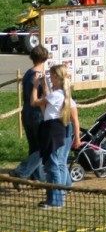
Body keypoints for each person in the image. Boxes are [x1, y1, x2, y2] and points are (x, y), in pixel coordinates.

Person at [32, 64, 80, 208]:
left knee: (53, 166)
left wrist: (35, 86)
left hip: (52, 131)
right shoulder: (66, 97)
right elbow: (74, 120)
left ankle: (56, 200)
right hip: (62, 130)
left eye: (50, 75)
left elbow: (34, 102)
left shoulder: (56, 96)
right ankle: (62, 191)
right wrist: (77, 137)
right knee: (59, 164)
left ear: (54, 76)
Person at [12, 46, 49, 180]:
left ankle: (37, 177)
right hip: (37, 113)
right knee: (43, 148)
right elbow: (45, 97)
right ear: (46, 58)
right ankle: (21, 171)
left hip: (26, 112)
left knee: (34, 146)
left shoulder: (28, 73)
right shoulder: (39, 76)